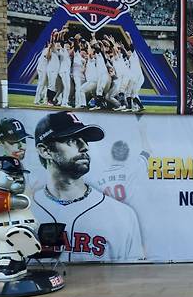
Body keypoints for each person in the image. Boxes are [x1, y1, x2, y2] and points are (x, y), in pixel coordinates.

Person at [32, 111, 144, 262]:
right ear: (45, 151)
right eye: (72, 140)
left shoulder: (123, 216)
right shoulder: (25, 212)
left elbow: (131, 279)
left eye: (85, 140)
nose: (84, 147)